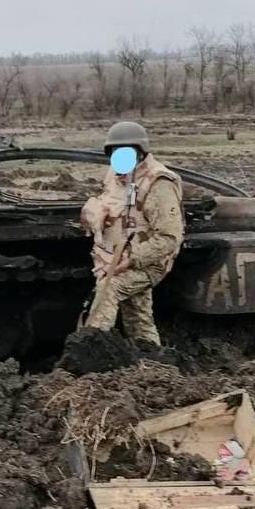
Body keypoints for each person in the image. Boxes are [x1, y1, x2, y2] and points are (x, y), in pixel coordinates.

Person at [78, 121, 185, 345]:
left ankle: (91, 348)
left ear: (140, 152)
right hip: (117, 256)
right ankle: (150, 355)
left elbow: (169, 238)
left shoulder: (159, 183)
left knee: (109, 288)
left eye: (126, 153)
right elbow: (109, 203)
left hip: (148, 261)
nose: (120, 159)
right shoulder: (117, 175)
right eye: (115, 153)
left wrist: (132, 260)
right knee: (138, 318)